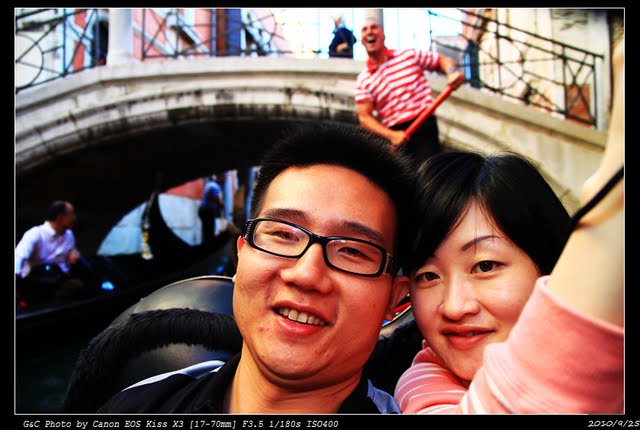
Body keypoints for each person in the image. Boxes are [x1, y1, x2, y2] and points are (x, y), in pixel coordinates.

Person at [98, 121, 417, 414]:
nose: (306, 275)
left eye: (351, 251)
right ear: (241, 257)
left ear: (394, 297)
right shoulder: (138, 406)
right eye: (283, 235)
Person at [394, 36, 624, 414]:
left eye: (485, 265)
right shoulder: (424, 383)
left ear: (548, 263)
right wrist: (613, 206)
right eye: (428, 276)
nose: (455, 307)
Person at [355, 16, 465, 164]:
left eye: (374, 27)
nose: (369, 32)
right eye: (364, 29)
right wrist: (391, 135)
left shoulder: (408, 56)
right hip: (395, 134)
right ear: (362, 40)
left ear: (383, 35)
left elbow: (442, 60)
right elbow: (364, 118)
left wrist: (451, 72)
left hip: (424, 125)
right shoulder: (363, 79)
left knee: (428, 171)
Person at [15, 200, 83, 304]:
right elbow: (18, 256)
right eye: (71, 214)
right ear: (60, 218)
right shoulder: (35, 233)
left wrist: (75, 253)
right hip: (35, 283)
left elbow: (71, 254)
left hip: (59, 282)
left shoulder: (69, 235)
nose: (74, 218)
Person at [198, 174, 224, 243]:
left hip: (203, 210)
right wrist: (221, 205)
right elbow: (217, 199)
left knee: (206, 231)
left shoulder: (210, 184)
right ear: (220, 177)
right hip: (207, 211)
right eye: (224, 176)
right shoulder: (215, 186)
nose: (225, 178)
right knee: (209, 232)